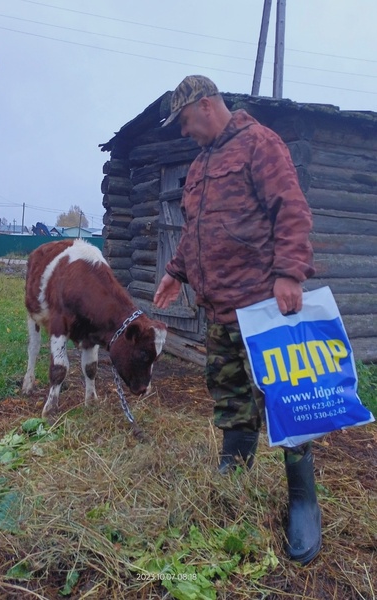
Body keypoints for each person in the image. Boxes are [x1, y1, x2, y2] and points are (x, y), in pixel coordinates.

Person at [154, 75, 321, 565]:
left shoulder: (259, 145)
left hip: (263, 308)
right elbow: (195, 230)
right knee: (229, 394)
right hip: (220, 309)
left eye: (185, 122)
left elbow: (291, 210)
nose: (184, 133)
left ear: (206, 107)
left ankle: (302, 498)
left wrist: (290, 273)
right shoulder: (203, 163)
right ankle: (236, 473)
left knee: (286, 399)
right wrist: (175, 272)